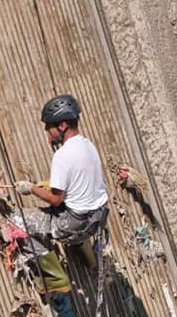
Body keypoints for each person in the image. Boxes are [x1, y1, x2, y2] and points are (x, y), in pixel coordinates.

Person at [15, 94, 109, 247]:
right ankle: (83, 253)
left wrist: (30, 188)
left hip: (72, 227)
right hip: (95, 222)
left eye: (49, 127)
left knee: (17, 220)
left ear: (63, 125)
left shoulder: (62, 155)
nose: (48, 132)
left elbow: (55, 199)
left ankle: (47, 264)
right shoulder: (88, 145)